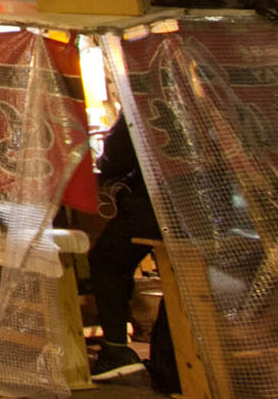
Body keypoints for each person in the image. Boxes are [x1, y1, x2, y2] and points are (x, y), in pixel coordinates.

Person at [88, 116, 160, 381]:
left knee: (106, 260)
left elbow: (118, 155)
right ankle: (167, 356)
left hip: (159, 205)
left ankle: (116, 349)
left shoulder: (143, 92)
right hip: (220, 208)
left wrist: (105, 162)